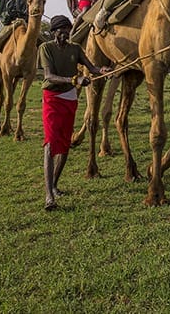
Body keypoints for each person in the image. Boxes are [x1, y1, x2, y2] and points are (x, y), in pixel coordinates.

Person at [38, 15, 111, 211]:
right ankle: (48, 196)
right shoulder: (46, 48)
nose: (64, 34)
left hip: (70, 99)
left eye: (67, 30)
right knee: (51, 142)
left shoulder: (75, 49)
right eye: (61, 30)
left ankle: (54, 185)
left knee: (64, 144)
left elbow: (91, 67)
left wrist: (102, 70)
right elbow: (49, 76)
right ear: (53, 32)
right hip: (52, 98)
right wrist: (74, 80)